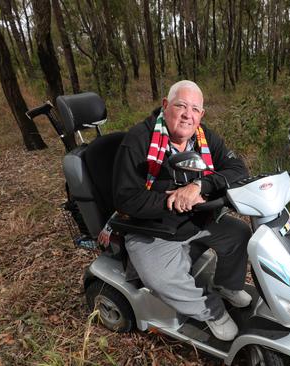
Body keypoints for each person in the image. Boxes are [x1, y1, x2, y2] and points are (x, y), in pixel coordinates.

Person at [112, 80, 252, 341]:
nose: (188, 115)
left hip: (196, 217)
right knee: (161, 278)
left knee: (239, 234)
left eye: (195, 109)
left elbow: (238, 169)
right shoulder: (137, 141)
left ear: (202, 115)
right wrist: (172, 201)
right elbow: (125, 199)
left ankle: (227, 285)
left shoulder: (203, 136)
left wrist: (200, 185)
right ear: (166, 106)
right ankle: (212, 311)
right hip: (152, 227)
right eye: (181, 106)